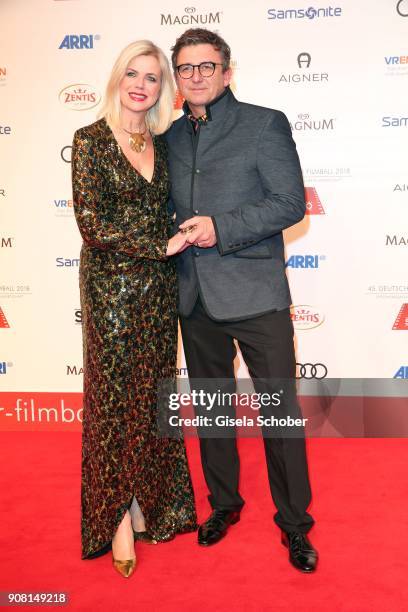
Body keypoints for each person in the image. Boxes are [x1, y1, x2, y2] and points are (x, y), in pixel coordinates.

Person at [166, 28, 318, 573]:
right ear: (178, 78)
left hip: (257, 297)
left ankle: (296, 525)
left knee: (279, 417)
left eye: (207, 66)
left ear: (227, 72)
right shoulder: (170, 138)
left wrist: (220, 228)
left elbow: (289, 204)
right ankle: (223, 506)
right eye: (186, 68)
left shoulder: (263, 123)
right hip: (195, 297)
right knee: (211, 414)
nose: (197, 76)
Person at [71, 40, 197, 578]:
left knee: (152, 396)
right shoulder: (90, 140)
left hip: (158, 291)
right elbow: (91, 224)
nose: (141, 84)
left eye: (151, 76)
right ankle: (116, 515)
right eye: (133, 74)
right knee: (112, 399)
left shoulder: (164, 144)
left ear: (160, 86)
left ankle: (149, 499)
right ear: (118, 79)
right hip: (110, 292)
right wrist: (159, 245)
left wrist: (184, 234)